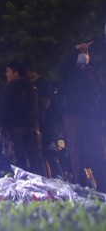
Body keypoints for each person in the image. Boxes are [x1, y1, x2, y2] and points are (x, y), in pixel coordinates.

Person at [57, 41, 105, 190]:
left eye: (86, 52)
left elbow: (100, 93)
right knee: (76, 150)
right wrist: (75, 49)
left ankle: (102, 184)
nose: (85, 55)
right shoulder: (69, 72)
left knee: (97, 150)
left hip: (92, 116)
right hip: (74, 115)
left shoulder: (92, 72)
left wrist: (101, 115)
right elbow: (62, 64)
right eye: (82, 52)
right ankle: (79, 183)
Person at [0, 60, 47, 176]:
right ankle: (42, 181)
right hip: (33, 126)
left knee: (19, 159)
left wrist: (3, 125)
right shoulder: (32, 87)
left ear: (16, 73)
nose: (6, 74)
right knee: (35, 158)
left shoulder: (11, 88)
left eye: (8, 71)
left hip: (16, 127)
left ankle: (23, 182)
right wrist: (38, 125)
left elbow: (5, 107)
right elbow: (39, 107)